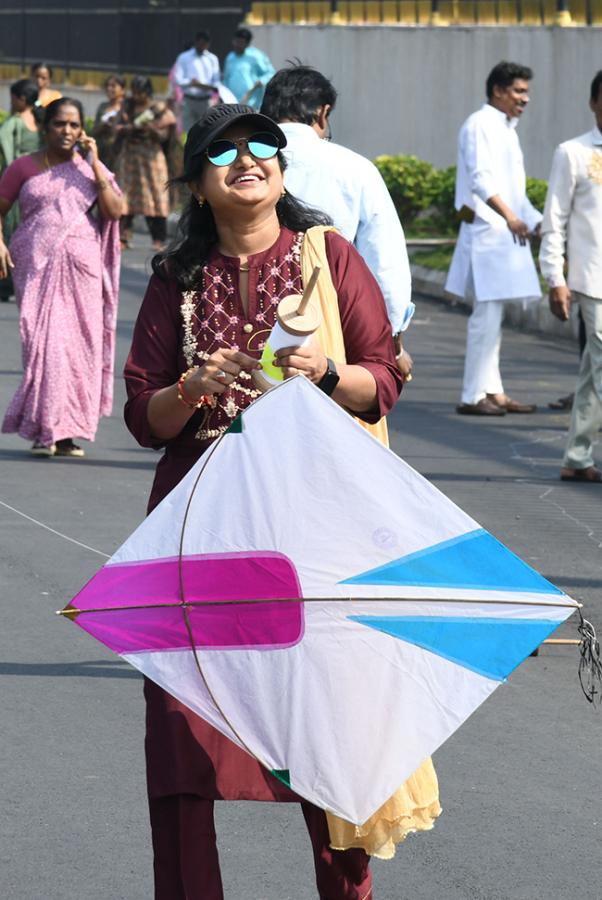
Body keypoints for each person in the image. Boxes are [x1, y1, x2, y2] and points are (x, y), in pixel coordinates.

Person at [124, 103, 440, 899]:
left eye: (261, 144)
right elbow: (141, 414)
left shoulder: (328, 258)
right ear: (197, 184)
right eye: (223, 152)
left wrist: (328, 375)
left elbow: (382, 381)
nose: (247, 159)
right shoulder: (175, 280)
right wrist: (189, 388)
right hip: (200, 531)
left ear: (283, 166)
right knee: (183, 746)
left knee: (328, 744)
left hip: (313, 536)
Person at [261, 64, 415, 377]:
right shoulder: (356, 169)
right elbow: (385, 263)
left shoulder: (245, 166)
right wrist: (393, 340)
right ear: (322, 112)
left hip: (248, 309)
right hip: (334, 319)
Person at [0, 98, 122, 457]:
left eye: (73, 125)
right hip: (35, 264)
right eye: (59, 124)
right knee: (44, 346)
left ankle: (66, 434)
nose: (67, 131)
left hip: (82, 269)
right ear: (45, 126)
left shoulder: (88, 169)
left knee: (78, 348)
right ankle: (44, 429)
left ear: (82, 129)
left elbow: (115, 210)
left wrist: (96, 162)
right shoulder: (23, 167)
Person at [446, 61, 542, 416]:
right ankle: (472, 396)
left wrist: (538, 221)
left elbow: (515, 192)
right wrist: (514, 218)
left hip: (503, 233)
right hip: (487, 233)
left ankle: (494, 390)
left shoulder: (506, 128)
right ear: (498, 91)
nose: (525, 99)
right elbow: (481, 181)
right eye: (519, 91)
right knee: (484, 317)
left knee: (494, 318)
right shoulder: (479, 124)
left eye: (526, 92)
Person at [539, 70, 602, 483]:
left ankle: (577, 457)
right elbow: (555, 218)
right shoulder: (573, 152)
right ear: (595, 102)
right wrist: (554, 277)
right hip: (593, 280)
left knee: (592, 372)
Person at [113, 76, 176, 250]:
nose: (136, 95)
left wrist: (151, 129)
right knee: (126, 196)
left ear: (147, 91)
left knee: (156, 196)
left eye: (139, 92)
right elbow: (116, 127)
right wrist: (126, 128)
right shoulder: (127, 107)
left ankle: (158, 240)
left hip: (151, 158)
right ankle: (123, 237)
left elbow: (165, 135)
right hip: (130, 157)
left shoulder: (158, 109)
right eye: (134, 91)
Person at [0, 79, 42, 302]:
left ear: (21, 99)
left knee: (10, 234)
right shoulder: (42, 122)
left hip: (18, 184)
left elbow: (5, 149)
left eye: (13, 97)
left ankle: (6, 283)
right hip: (41, 185)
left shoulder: (14, 122)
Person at [173, 30, 221, 133]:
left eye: (205, 44)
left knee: (206, 131)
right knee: (187, 132)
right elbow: (178, 79)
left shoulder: (212, 59)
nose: (202, 46)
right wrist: (191, 82)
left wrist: (206, 86)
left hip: (205, 101)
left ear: (208, 44)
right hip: (189, 100)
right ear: (196, 42)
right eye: (200, 43)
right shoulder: (184, 57)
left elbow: (216, 82)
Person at [223, 27, 274, 111]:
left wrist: (261, 81)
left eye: (241, 42)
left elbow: (270, 73)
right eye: (236, 41)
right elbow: (226, 79)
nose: (237, 45)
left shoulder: (256, 56)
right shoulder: (230, 57)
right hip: (232, 104)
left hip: (251, 103)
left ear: (247, 44)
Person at [92, 74, 126, 168]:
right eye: (107, 86)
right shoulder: (102, 107)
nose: (109, 89)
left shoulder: (126, 108)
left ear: (122, 90)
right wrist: (103, 126)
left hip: (120, 154)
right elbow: (94, 131)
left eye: (113, 86)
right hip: (102, 152)